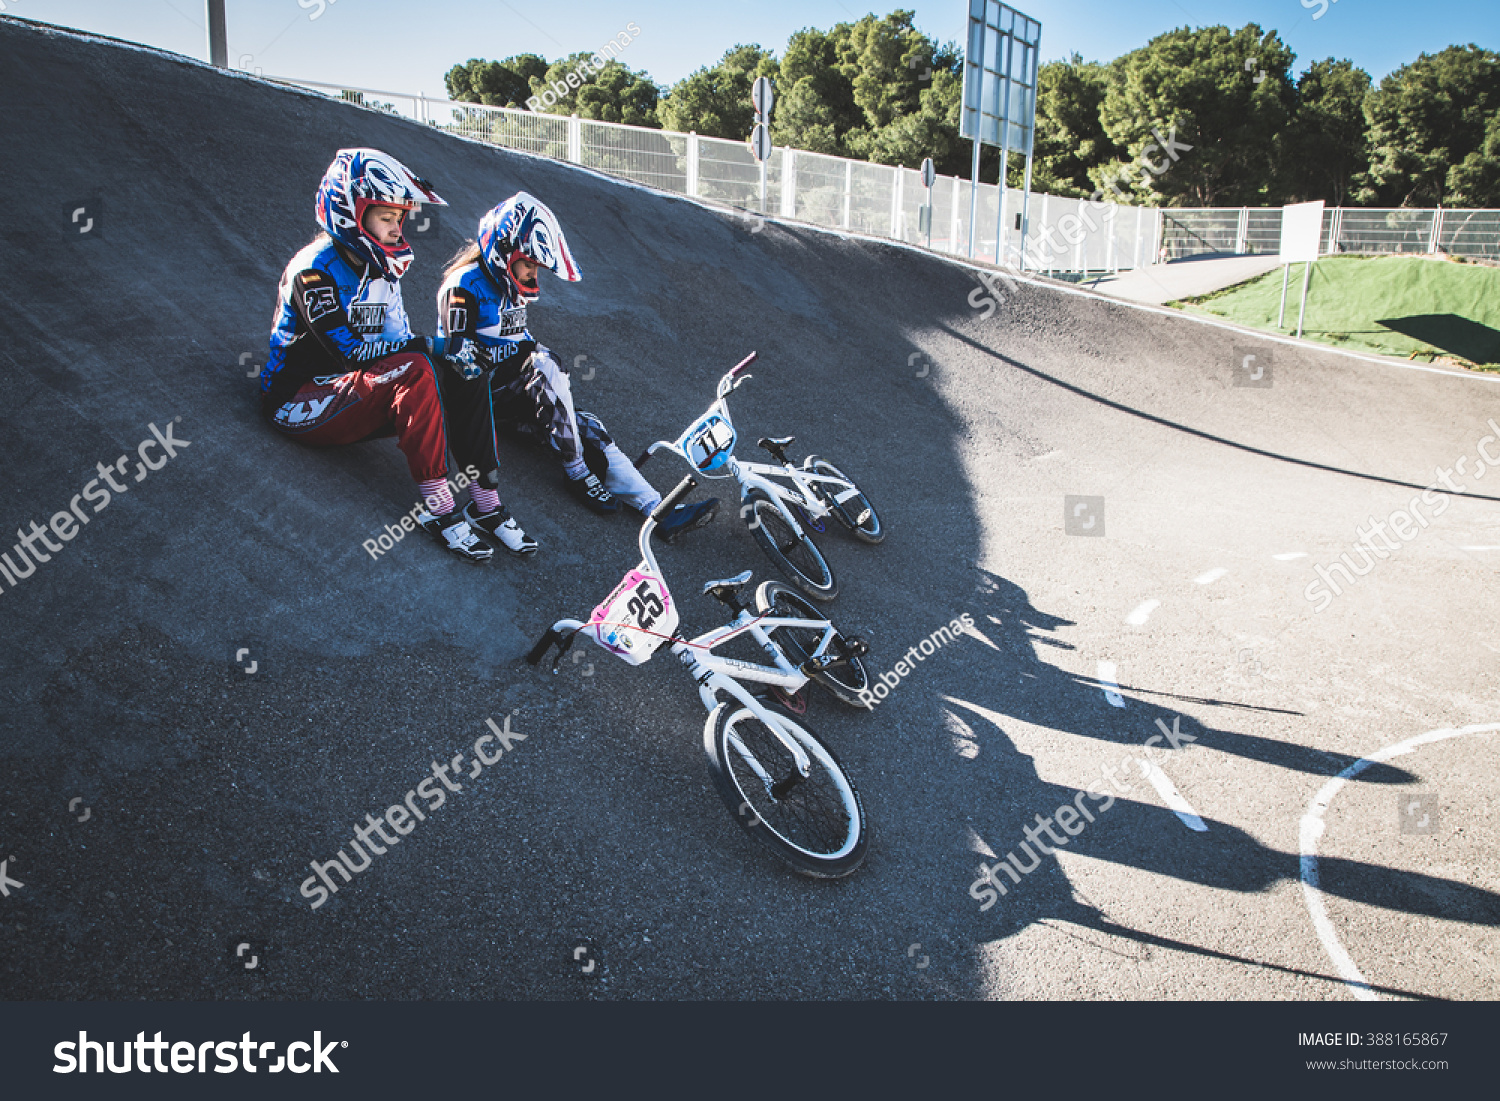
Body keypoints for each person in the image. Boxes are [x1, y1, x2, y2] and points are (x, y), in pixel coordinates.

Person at [260, 147, 535, 562]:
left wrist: (451, 355)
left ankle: (485, 502)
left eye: (400, 219)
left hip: (355, 393)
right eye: (386, 217)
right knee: (418, 363)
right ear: (350, 212)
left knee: (465, 367)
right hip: (298, 401)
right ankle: (438, 507)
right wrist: (428, 347)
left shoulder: (382, 271)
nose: (396, 229)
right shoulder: (313, 269)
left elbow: (399, 342)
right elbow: (352, 352)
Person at [432, 192, 718, 541]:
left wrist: (539, 367)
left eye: (535, 267)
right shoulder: (462, 285)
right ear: (504, 251)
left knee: (590, 426)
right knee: (544, 364)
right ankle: (577, 470)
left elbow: (519, 342)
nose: (532, 273)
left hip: (518, 393)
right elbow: (457, 358)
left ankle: (659, 511)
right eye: (528, 264)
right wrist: (534, 363)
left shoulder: (509, 289)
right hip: (481, 398)